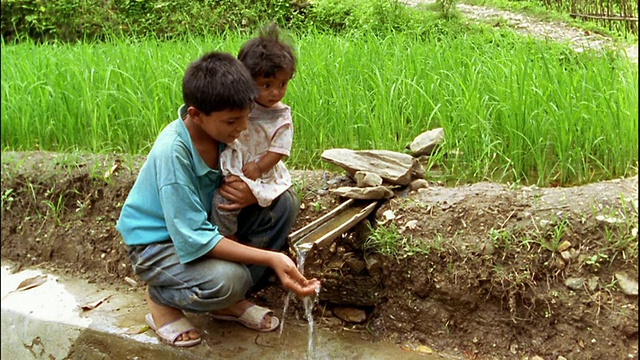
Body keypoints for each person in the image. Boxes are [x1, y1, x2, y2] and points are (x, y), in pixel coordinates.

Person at [115, 51, 320, 348]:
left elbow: (263, 176)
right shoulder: (174, 153)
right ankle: (161, 299)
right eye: (233, 121)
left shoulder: (224, 135)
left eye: (246, 117)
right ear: (196, 114)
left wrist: (251, 195)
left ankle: (226, 303)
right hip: (158, 245)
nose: (242, 128)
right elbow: (194, 238)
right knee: (229, 279)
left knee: (283, 204)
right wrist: (272, 257)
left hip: (201, 226)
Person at [210, 23, 297, 237]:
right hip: (231, 163)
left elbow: (279, 149)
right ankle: (224, 239)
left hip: (260, 173)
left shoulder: (281, 117)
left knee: (227, 201)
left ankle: (230, 240)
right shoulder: (239, 105)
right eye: (266, 85)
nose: (276, 93)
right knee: (221, 199)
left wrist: (259, 167)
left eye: (283, 84)